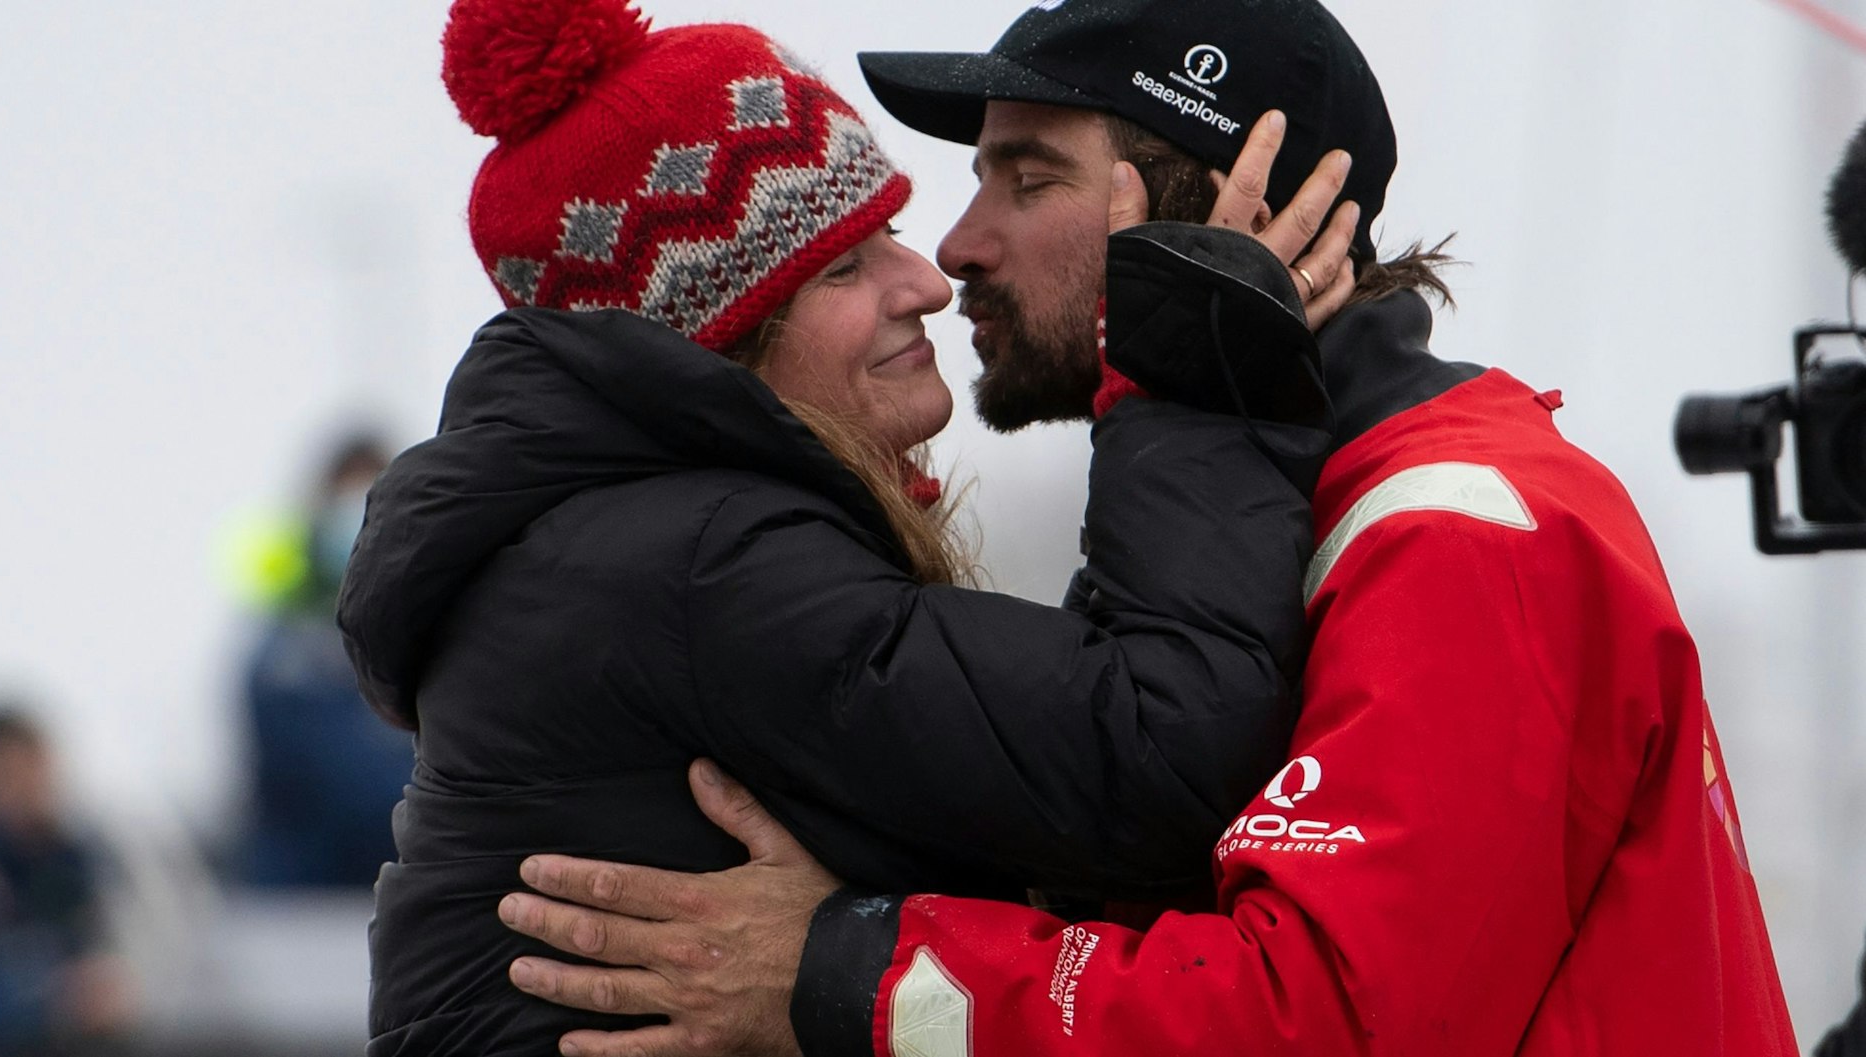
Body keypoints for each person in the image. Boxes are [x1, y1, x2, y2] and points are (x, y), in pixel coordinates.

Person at [490, 1, 1800, 1055]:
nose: (957, 247)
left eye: (1029, 176)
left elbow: (1334, 1023)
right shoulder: (1270, 524)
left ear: (1217, 214)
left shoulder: (1457, 531)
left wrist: (851, 972)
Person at [337, 0, 1359, 1053]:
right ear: (717, 349)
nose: (924, 280)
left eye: (890, 237)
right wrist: (1194, 374)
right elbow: (1156, 749)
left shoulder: (621, 546)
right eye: (841, 267)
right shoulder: (704, 564)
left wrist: (840, 944)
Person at [239, 432, 415, 888]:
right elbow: (322, 776)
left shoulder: (431, 633)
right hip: (304, 898)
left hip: (404, 885)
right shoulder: (286, 657)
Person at [0, 705, 134, 1056]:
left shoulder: (79, 859)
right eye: (8, 773)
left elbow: (110, 947)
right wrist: (51, 1004)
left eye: (33, 769)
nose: (25, 788)